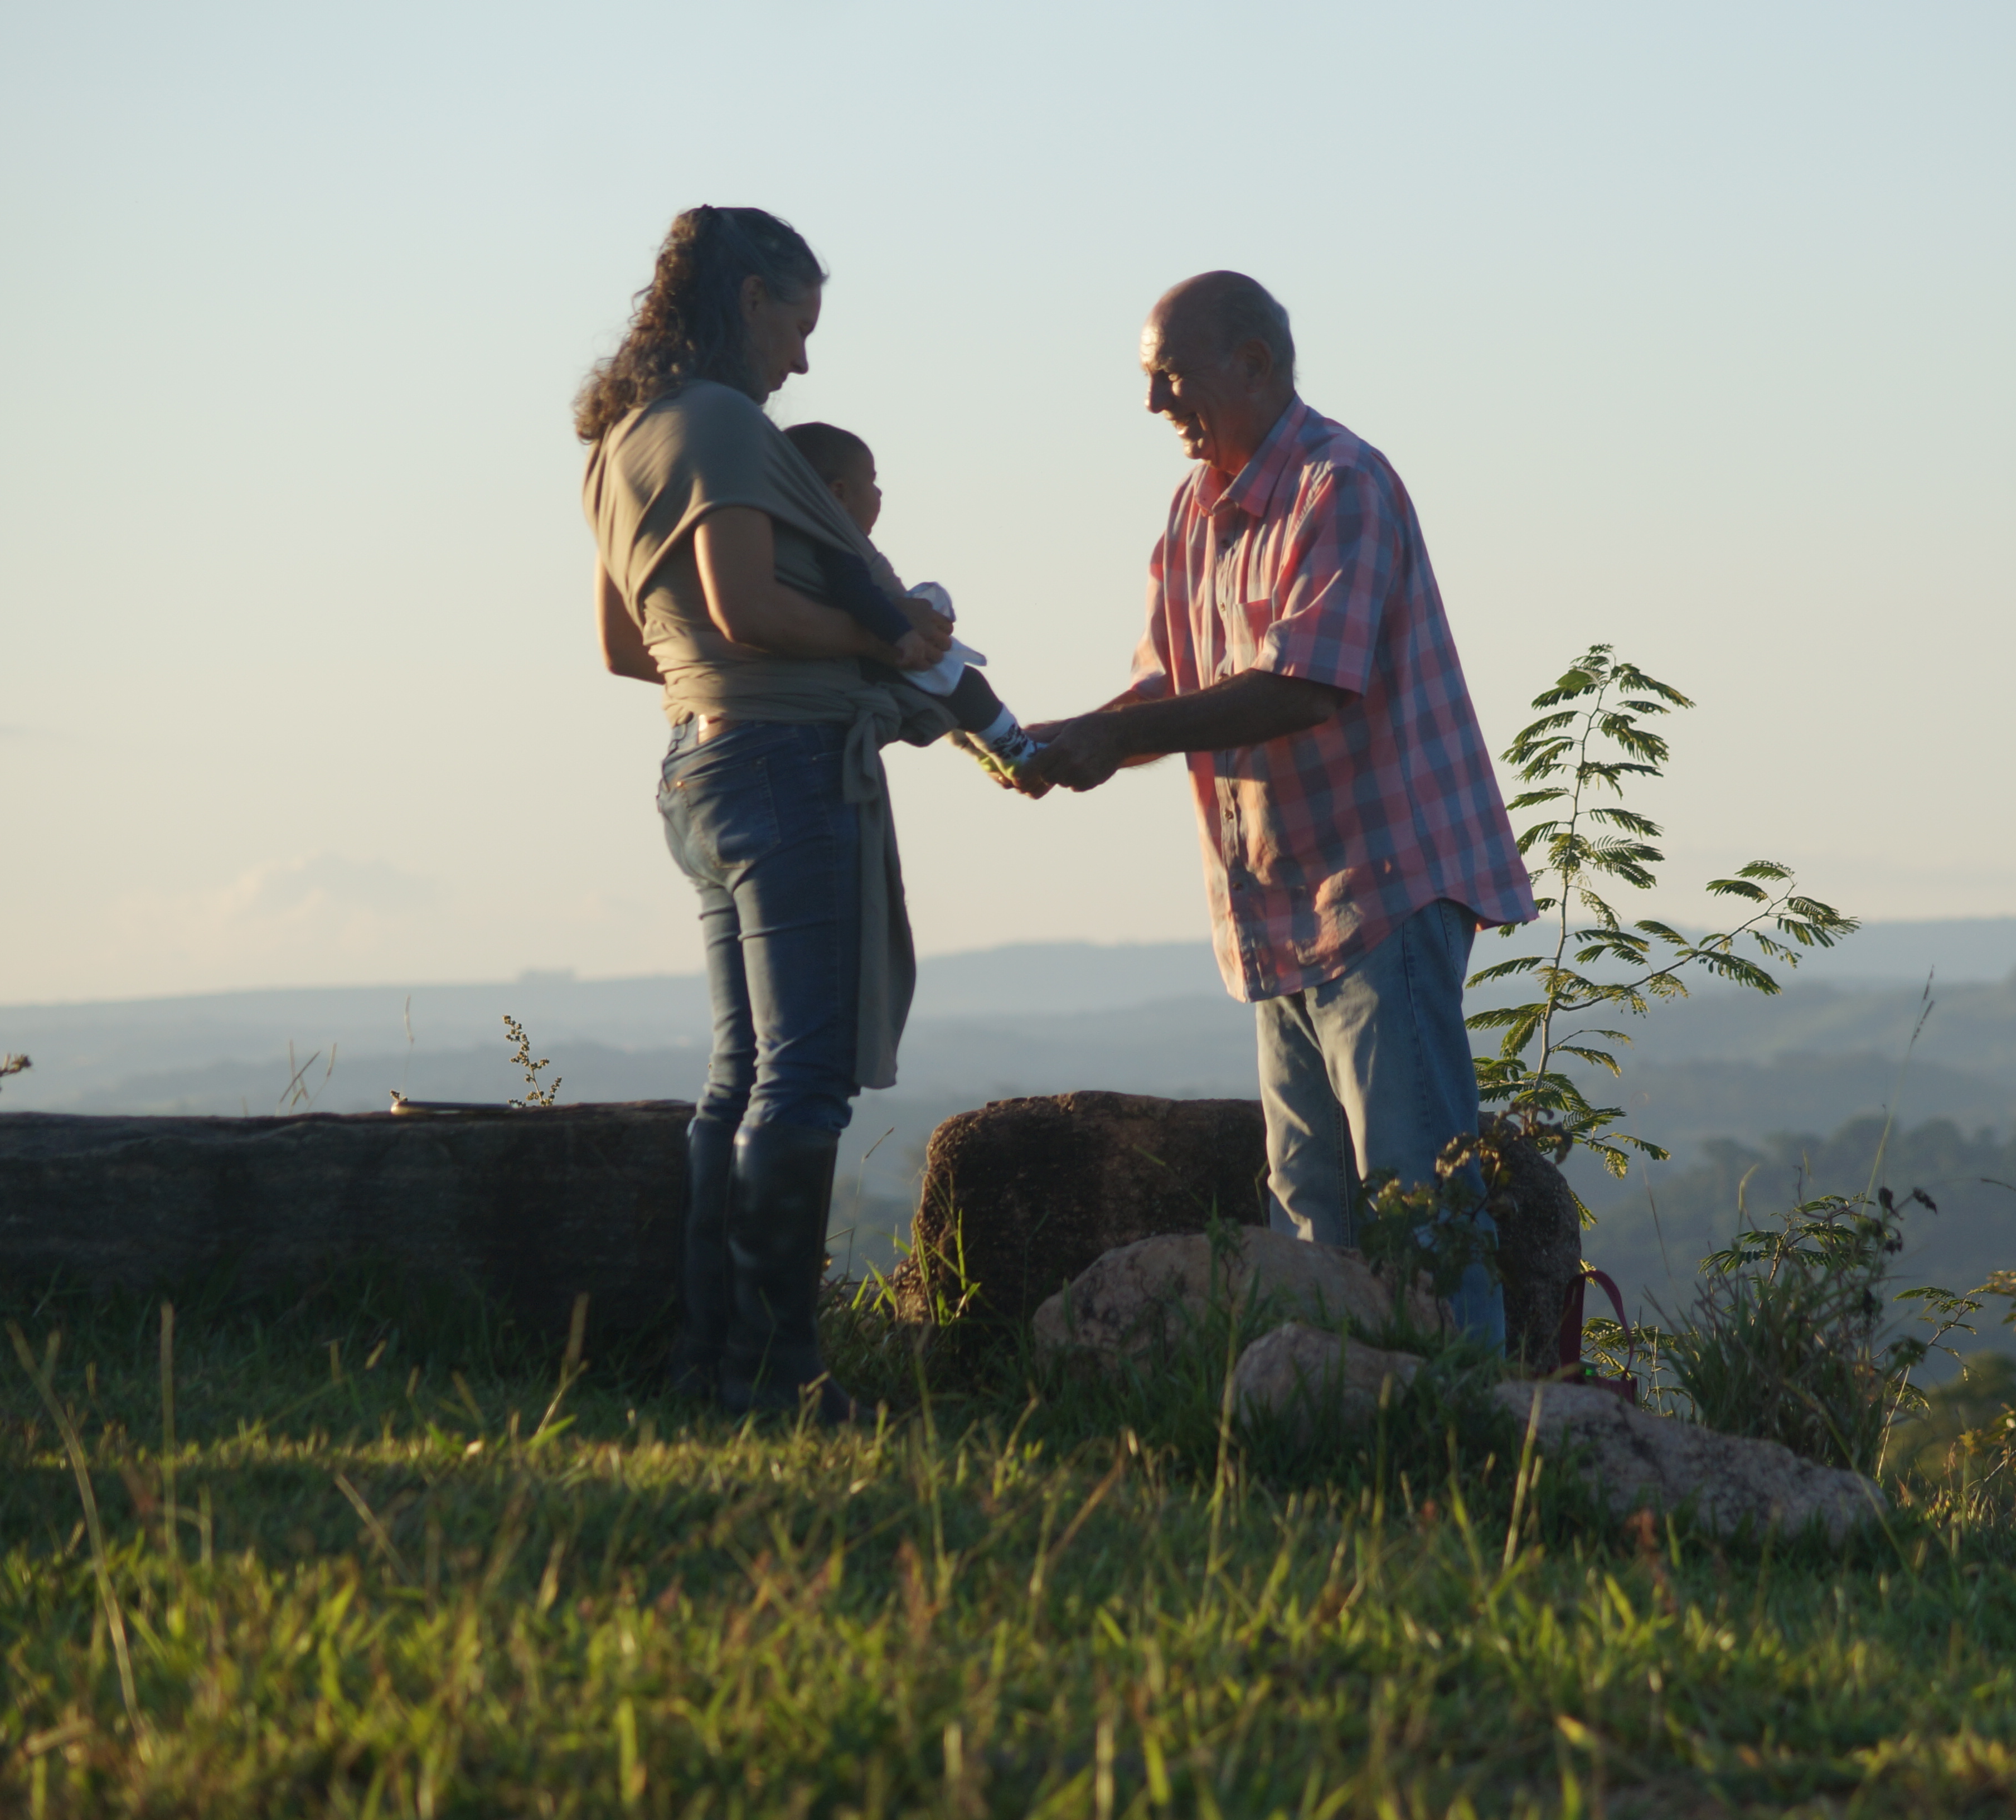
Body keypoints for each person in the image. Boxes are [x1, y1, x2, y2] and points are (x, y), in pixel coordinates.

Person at [1020, 271, 1537, 1347]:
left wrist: (1118, 738)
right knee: (1307, 1205)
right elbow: (1166, 685)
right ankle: (1335, 1430)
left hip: (1378, 887)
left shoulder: (1336, 484)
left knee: (1418, 1203)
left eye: (1172, 376)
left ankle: (1473, 1437)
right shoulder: (1194, 511)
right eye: (1150, 381)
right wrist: (1071, 739)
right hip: (1280, 908)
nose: (1156, 405)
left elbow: (1308, 683)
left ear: (1253, 364)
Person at [576, 205, 962, 1422]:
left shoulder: (618, 441)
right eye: (799, 323)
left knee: (737, 1078)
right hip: (788, 764)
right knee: (800, 1083)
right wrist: (886, 638)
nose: (803, 359)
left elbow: (624, 648)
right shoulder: (724, 425)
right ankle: (780, 1375)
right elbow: (747, 610)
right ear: (749, 299)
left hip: (694, 766)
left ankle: (708, 1363)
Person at [779, 420, 1043, 769]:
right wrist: (899, 630)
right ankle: (1022, 757)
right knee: (970, 688)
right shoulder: (834, 541)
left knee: (948, 697)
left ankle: (988, 752)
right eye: (872, 482)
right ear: (839, 494)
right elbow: (857, 593)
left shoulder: (791, 541)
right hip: (879, 656)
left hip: (859, 665)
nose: (880, 494)